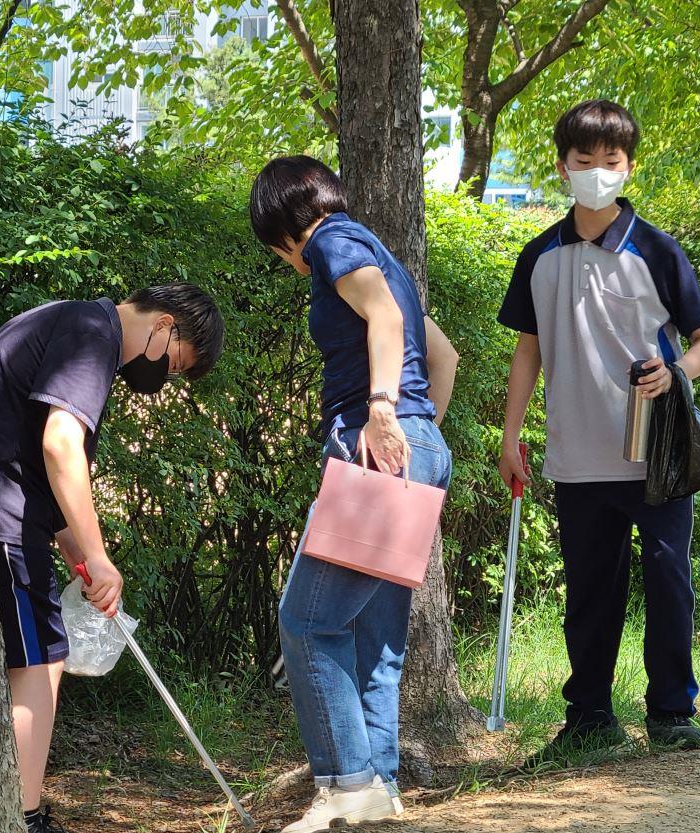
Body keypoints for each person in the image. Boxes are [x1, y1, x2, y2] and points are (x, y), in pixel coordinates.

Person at [496, 100, 700, 767]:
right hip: (576, 452)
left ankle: (673, 712)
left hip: (657, 448)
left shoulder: (657, 248)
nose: (597, 172)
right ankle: (590, 717)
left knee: (669, 578)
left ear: (629, 165)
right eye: (583, 161)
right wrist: (511, 437)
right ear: (562, 166)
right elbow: (527, 352)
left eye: (611, 162)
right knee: (590, 590)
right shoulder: (538, 255)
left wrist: (677, 370)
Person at [249, 156, 460, 832]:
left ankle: (346, 786)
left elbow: (383, 319)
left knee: (307, 620)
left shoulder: (331, 240)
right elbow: (444, 353)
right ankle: (381, 787)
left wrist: (379, 410)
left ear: (283, 227)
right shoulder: (381, 252)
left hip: (378, 445)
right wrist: (417, 435)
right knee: (375, 635)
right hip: (416, 448)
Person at [0, 284, 224, 833]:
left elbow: (39, 462)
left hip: (12, 517)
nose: (166, 377)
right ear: (163, 326)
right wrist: (98, 554)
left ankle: (21, 809)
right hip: (4, 523)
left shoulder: (75, 322)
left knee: (46, 655)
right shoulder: (95, 337)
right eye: (177, 364)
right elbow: (60, 444)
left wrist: (78, 556)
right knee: (38, 665)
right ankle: (20, 818)